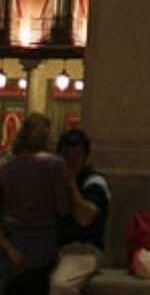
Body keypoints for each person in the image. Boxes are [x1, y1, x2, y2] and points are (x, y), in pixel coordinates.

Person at [1, 115, 99, 295]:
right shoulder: (55, 165)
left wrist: (9, 247)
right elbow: (61, 208)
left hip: (14, 244)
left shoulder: (6, 169)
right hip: (43, 244)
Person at [49, 129, 109, 295]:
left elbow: (85, 218)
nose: (71, 159)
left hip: (82, 250)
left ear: (85, 157)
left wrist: (71, 184)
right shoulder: (51, 179)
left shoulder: (94, 182)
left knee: (60, 286)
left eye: (77, 154)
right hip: (50, 249)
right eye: (66, 153)